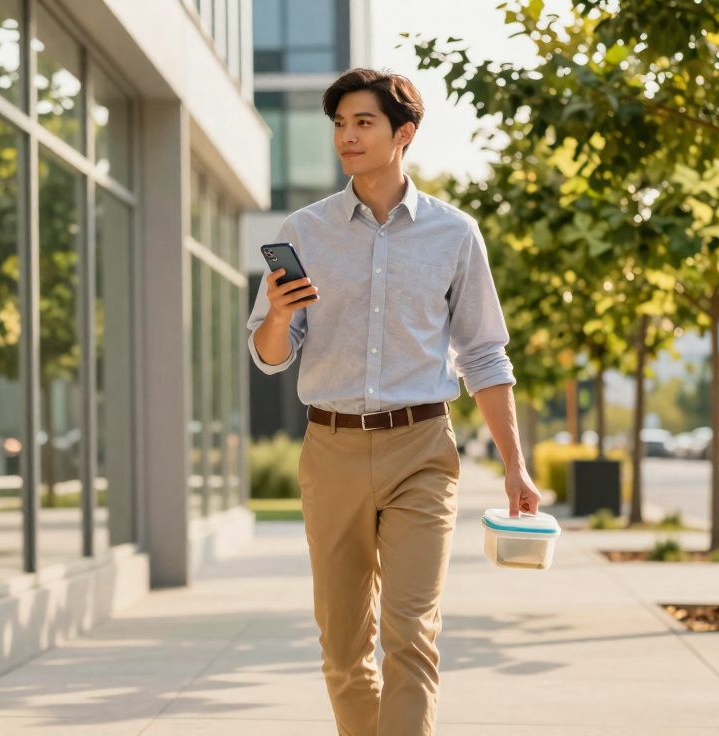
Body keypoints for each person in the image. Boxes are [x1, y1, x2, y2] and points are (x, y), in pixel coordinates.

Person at [246, 68, 542, 736]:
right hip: (332, 450)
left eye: (363, 123)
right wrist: (276, 315)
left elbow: (484, 354)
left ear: (403, 133)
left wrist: (515, 466)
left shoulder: (454, 234)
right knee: (344, 646)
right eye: (339, 124)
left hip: (421, 450)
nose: (345, 137)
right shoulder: (305, 230)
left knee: (411, 633)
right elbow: (270, 354)